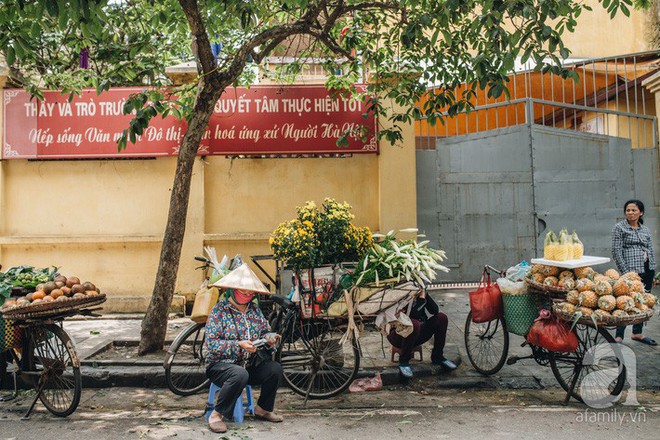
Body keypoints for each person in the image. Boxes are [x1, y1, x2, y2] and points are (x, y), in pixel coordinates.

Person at [204, 263, 284, 433]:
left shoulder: (254, 310)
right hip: (220, 366)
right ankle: (216, 415)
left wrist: (269, 338)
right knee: (239, 373)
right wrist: (238, 345)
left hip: (249, 365)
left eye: (250, 293)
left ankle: (263, 409)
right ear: (232, 290)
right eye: (243, 291)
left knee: (275, 369)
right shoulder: (219, 311)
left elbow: (264, 330)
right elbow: (211, 344)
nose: (247, 295)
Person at [612, 199, 657, 345]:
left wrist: (653, 268)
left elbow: (650, 249)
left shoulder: (645, 230)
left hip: (647, 269)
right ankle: (619, 335)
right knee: (624, 301)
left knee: (642, 301)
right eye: (628, 210)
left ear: (641, 213)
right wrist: (625, 272)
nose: (630, 213)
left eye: (634, 210)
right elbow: (616, 251)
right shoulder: (619, 228)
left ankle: (637, 333)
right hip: (630, 271)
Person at [387, 288, 457, 378]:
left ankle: (438, 356)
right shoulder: (401, 294)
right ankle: (404, 361)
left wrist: (425, 295)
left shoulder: (420, 294)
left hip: (417, 334)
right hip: (398, 336)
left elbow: (434, 310)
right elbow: (413, 315)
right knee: (414, 324)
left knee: (442, 318)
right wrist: (421, 299)